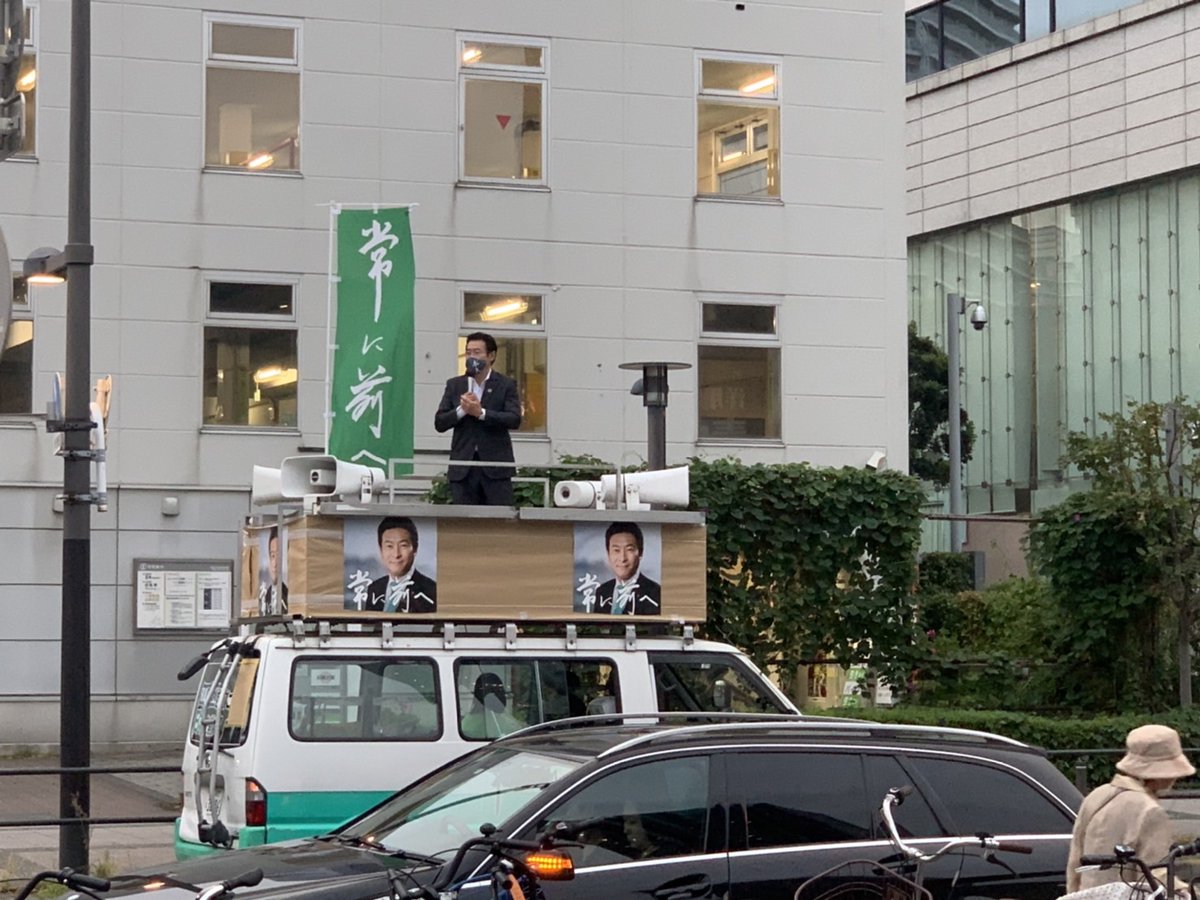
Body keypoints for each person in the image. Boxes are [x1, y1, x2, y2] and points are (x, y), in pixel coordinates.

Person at [1066, 723, 1195, 893]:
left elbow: (1074, 864)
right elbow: (1156, 877)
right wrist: (1189, 893)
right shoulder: (1150, 811)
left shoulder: (1096, 796)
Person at [434, 332, 521, 505]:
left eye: (477, 352)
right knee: (464, 517)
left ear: (491, 356)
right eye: (468, 352)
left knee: (498, 516)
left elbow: (513, 418)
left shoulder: (505, 384)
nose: (472, 357)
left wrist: (481, 413)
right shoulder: (455, 385)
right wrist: (462, 410)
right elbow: (440, 422)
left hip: (495, 468)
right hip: (463, 468)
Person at [364, 516, 437, 613]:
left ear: (415, 548)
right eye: (389, 546)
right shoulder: (374, 588)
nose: (396, 554)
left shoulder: (431, 590)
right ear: (381, 550)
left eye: (403, 545)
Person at [594, 522, 661, 615]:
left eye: (629, 550)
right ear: (608, 554)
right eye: (616, 550)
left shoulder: (655, 592)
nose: (622, 558)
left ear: (640, 552)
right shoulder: (602, 591)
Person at [459, 673, 524, 739]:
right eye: (498, 691)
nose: (502, 696)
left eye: (501, 690)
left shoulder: (499, 716)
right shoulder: (472, 725)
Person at [258, 527, 288, 616]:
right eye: (272, 556)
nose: (274, 564)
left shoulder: (290, 597)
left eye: (279, 556)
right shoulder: (264, 597)